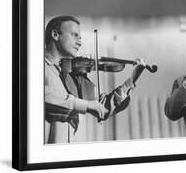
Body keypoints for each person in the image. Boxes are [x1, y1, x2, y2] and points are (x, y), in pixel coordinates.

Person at [45, 15, 146, 144]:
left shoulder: (73, 75)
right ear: (55, 34)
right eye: (74, 35)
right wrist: (86, 105)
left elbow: (103, 107)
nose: (80, 42)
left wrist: (132, 79)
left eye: (80, 37)